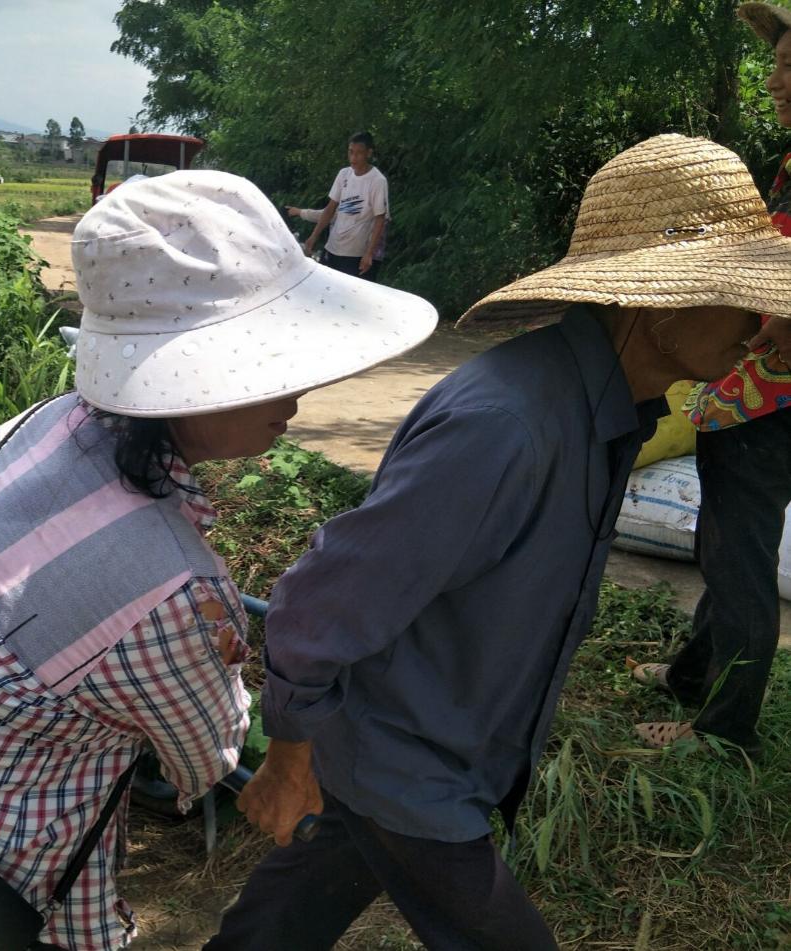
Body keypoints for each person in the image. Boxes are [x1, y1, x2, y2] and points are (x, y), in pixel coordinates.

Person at [0, 169, 439, 951]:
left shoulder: (38, 428)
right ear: (187, 378)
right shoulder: (174, 596)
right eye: (267, 358)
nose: (296, 393)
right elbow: (206, 757)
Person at [204, 134, 791, 951]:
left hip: (424, 752)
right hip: (408, 769)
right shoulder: (506, 428)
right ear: (660, 303)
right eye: (740, 294)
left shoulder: (604, 416)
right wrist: (287, 754)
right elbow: (321, 599)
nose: (761, 323)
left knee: (285, 916)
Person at [630, 1, 791, 758]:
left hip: (772, 398)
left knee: (738, 558)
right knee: (725, 539)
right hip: (756, 391)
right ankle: (696, 674)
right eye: (778, 64)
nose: (776, 81)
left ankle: (723, 732)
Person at [286, 131, 389, 280]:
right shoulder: (344, 174)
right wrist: (314, 236)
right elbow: (330, 209)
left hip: (356, 253)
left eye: (359, 153)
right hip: (333, 247)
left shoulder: (377, 181)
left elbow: (380, 219)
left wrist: (369, 253)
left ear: (369, 153)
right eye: (351, 152)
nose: (353, 158)